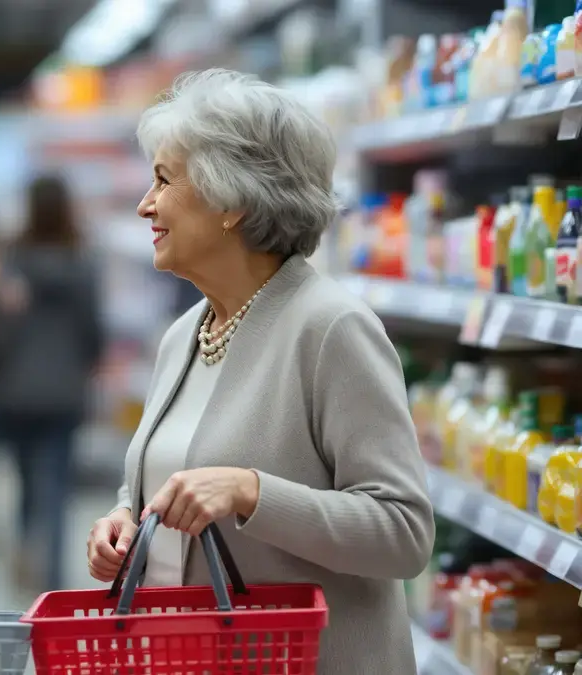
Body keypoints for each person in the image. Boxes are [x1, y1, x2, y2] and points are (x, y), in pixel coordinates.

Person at [85, 69, 433, 674]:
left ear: (233, 202)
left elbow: (403, 533)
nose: (145, 204)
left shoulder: (331, 329)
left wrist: (252, 491)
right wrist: (124, 519)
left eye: (163, 180)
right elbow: (173, 472)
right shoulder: (184, 335)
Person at [0, 175, 103, 592]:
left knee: (24, 480)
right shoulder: (81, 261)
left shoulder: (13, 260)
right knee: (55, 485)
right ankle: (51, 577)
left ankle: (23, 554)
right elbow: (93, 330)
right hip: (64, 389)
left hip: (16, 388)